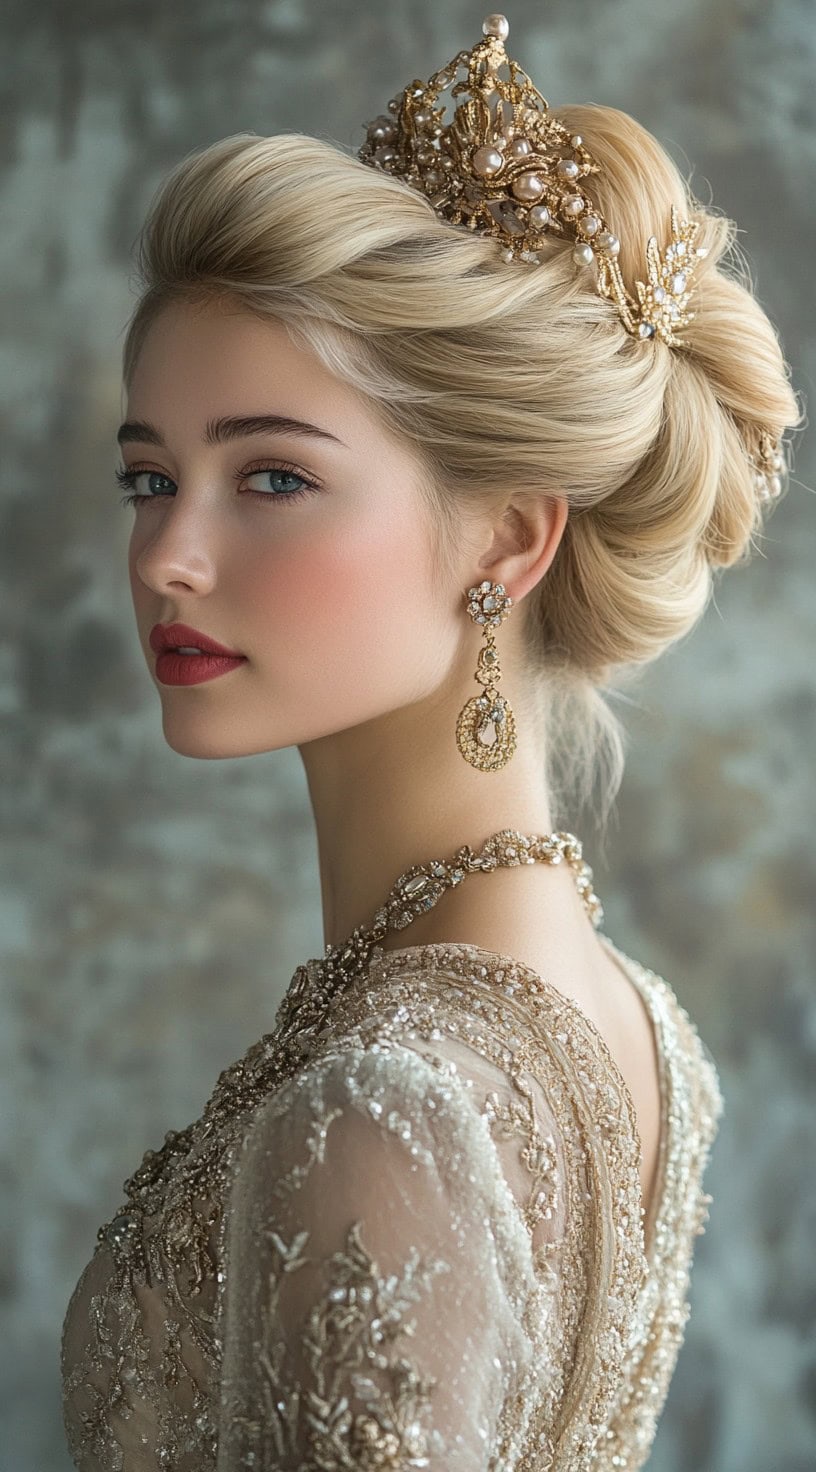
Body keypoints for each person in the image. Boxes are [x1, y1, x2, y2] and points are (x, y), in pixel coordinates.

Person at [60, 13, 802, 1470]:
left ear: (512, 537)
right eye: (151, 476)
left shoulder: (386, 1109)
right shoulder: (636, 1018)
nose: (167, 558)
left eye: (271, 474)